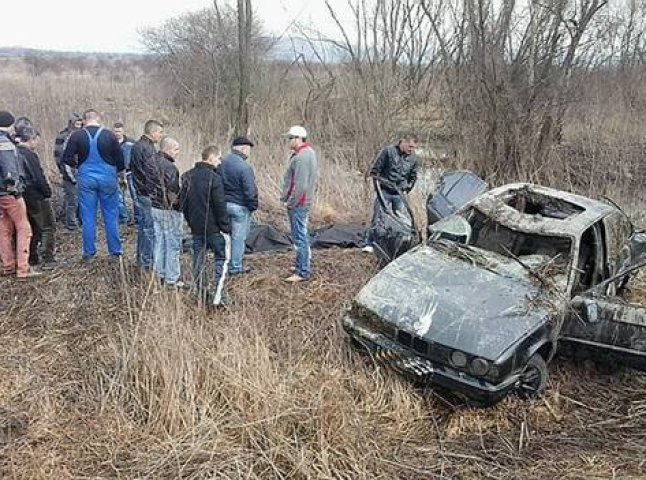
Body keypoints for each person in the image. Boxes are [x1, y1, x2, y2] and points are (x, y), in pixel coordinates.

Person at [61, 109, 124, 261]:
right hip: (108, 179)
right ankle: (115, 252)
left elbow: (66, 158)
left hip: (86, 179)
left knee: (88, 216)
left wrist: (78, 166)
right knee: (110, 215)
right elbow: (120, 160)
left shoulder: (77, 135)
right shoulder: (109, 135)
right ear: (99, 118)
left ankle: (89, 253)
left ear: (84, 120)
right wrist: (118, 173)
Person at [179, 145, 231, 307]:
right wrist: (225, 226)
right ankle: (218, 297)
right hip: (214, 229)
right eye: (218, 158)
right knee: (221, 259)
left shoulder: (187, 176)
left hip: (196, 228)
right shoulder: (214, 179)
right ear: (211, 158)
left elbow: (183, 204)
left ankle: (201, 293)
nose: (220, 162)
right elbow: (220, 206)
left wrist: (190, 221)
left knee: (198, 261)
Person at [0, 111, 40, 280]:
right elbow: (10, 170)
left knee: (3, 229)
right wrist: (16, 191)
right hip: (10, 193)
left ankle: (7, 266)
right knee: (24, 228)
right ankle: (23, 268)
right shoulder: (5, 144)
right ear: (9, 125)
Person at [362, 134, 419, 253]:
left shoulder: (413, 158)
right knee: (378, 218)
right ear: (402, 142)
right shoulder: (388, 151)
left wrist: (407, 188)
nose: (411, 150)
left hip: (399, 195)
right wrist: (379, 189)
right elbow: (375, 171)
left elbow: (413, 176)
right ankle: (369, 243)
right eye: (410, 146)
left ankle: (393, 246)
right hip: (384, 191)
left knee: (400, 220)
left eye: (414, 147)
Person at [280, 125, 318, 283]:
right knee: (301, 235)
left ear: (298, 139)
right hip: (301, 202)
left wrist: (291, 202)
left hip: (299, 204)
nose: (289, 141)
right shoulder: (305, 153)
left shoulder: (303, 156)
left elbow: (301, 185)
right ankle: (302, 264)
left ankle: (302, 271)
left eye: (291, 138)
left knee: (299, 237)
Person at [15, 127, 57, 268]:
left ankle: (31, 257)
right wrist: (47, 192)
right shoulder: (29, 155)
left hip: (21, 196)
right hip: (36, 196)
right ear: (31, 139)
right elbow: (38, 177)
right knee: (47, 226)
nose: (37, 144)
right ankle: (47, 257)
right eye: (36, 141)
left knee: (29, 227)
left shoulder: (13, 152)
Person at [219, 136, 258, 275]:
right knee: (238, 238)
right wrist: (252, 206)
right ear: (243, 148)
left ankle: (223, 262)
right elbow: (250, 191)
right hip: (239, 206)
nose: (249, 153)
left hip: (223, 205)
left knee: (226, 236)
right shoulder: (244, 167)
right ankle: (235, 267)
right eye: (248, 149)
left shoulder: (221, 162)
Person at [149, 137, 183, 288]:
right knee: (173, 244)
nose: (178, 152)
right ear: (167, 149)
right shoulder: (170, 167)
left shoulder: (150, 162)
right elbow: (173, 193)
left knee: (159, 242)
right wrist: (180, 207)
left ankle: (159, 275)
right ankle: (172, 279)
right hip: (167, 210)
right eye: (176, 149)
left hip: (154, 208)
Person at [130, 119, 164, 270]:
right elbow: (152, 174)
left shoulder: (137, 146)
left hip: (140, 191)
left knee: (143, 227)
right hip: (147, 194)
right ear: (153, 132)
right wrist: (157, 192)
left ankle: (141, 260)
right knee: (149, 228)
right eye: (160, 132)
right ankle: (146, 263)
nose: (161, 136)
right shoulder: (148, 149)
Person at [54, 113, 83, 231]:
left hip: (81, 170)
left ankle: (78, 220)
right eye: (76, 123)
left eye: (80, 124)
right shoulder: (63, 136)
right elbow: (59, 156)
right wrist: (65, 171)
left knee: (79, 198)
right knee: (72, 199)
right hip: (69, 170)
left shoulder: (82, 135)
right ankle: (71, 224)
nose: (79, 126)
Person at [112, 122, 135, 225]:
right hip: (115, 173)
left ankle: (137, 219)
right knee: (119, 197)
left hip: (130, 172)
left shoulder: (131, 142)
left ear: (123, 131)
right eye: (116, 131)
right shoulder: (110, 142)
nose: (117, 133)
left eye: (119, 131)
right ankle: (123, 217)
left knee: (134, 196)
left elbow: (136, 155)